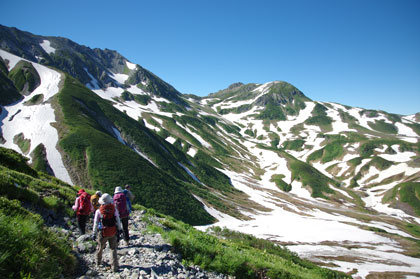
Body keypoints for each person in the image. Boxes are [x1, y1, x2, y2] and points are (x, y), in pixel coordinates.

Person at [92, 193, 123, 272]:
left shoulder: (99, 211)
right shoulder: (114, 209)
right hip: (113, 231)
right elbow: (118, 220)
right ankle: (114, 266)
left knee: (100, 247)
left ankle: (98, 262)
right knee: (113, 249)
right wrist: (120, 229)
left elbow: (95, 223)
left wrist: (94, 233)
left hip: (103, 232)